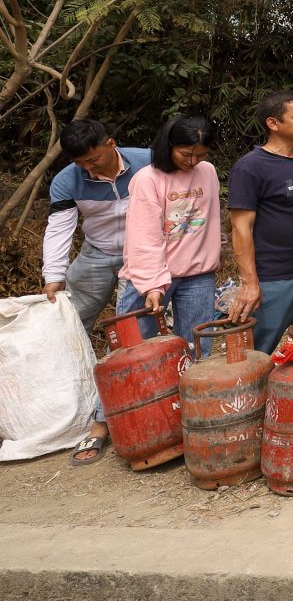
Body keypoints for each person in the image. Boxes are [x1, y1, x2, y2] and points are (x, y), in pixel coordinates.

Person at [40, 118, 150, 465]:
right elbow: (59, 228)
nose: (88, 168)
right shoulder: (66, 180)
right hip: (96, 253)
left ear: (111, 144)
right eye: (80, 163)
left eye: (93, 159)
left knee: (131, 330)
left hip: (142, 254)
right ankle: (70, 406)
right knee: (70, 324)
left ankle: (116, 412)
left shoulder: (148, 162)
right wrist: (54, 275)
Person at [116, 117, 222, 355]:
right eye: (185, 154)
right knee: (137, 352)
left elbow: (211, 218)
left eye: (200, 155)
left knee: (197, 350)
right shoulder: (147, 179)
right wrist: (152, 285)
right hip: (151, 276)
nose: (192, 161)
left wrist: (216, 252)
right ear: (168, 146)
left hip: (198, 274)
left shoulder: (207, 171)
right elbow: (144, 237)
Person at [227, 91, 293, 353]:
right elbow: (241, 228)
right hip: (273, 279)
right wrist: (250, 283)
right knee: (256, 355)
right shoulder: (250, 167)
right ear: (273, 123)